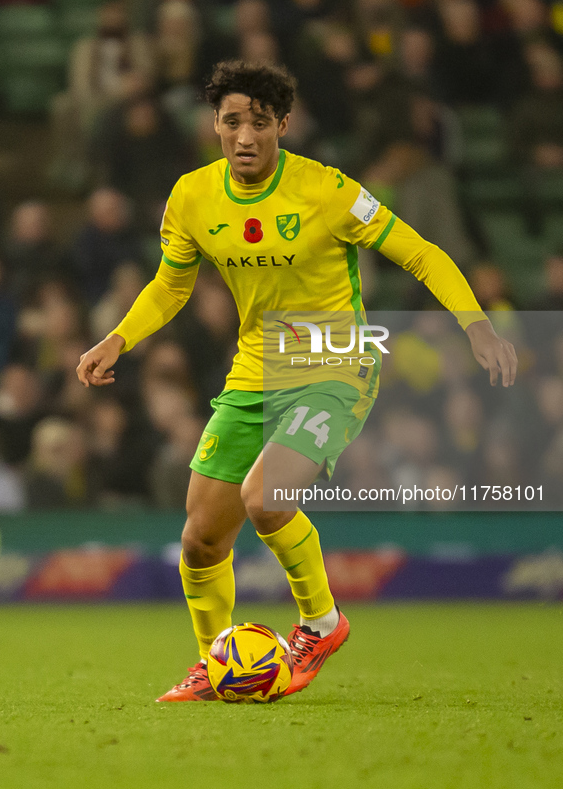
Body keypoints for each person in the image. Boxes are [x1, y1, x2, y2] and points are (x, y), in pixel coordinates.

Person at [76, 61, 517, 702]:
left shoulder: (328, 191)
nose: (245, 136)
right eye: (232, 122)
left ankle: (322, 622)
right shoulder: (192, 197)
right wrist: (118, 337)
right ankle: (218, 662)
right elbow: (172, 285)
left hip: (336, 365)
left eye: (259, 122)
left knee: (267, 496)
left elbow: (420, 251)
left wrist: (476, 326)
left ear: (282, 124)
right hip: (256, 370)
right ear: (216, 127)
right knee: (201, 536)